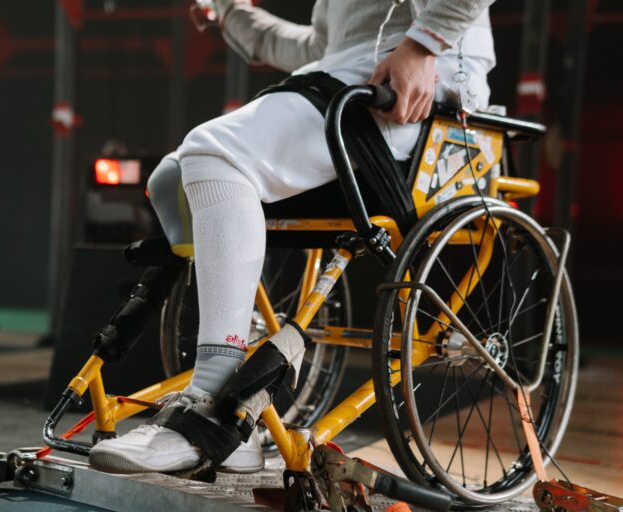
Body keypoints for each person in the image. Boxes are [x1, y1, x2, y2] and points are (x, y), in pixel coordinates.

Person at [89, 0, 497, 474]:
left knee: (215, 153)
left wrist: (423, 46)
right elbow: (317, 46)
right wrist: (230, 11)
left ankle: (213, 407)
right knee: (171, 179)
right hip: (347, 75)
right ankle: (238, 420)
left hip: (418, 91)